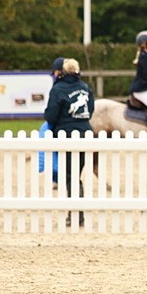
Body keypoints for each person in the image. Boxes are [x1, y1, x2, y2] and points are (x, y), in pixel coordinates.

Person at [44, 58, 95, 227]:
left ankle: (76, 213)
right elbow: (91, 110)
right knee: (76, 174)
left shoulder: (58, 89)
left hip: (66, 134)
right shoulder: (86, 87)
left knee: (69, 175)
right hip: (85, 133)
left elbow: (51, 115)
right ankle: (77, 212)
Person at [37, 57, 65, 188]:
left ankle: (53, 172)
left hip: (61, 121)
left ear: (59, 72)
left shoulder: (58, 87)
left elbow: (53, 110)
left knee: (45, 133)